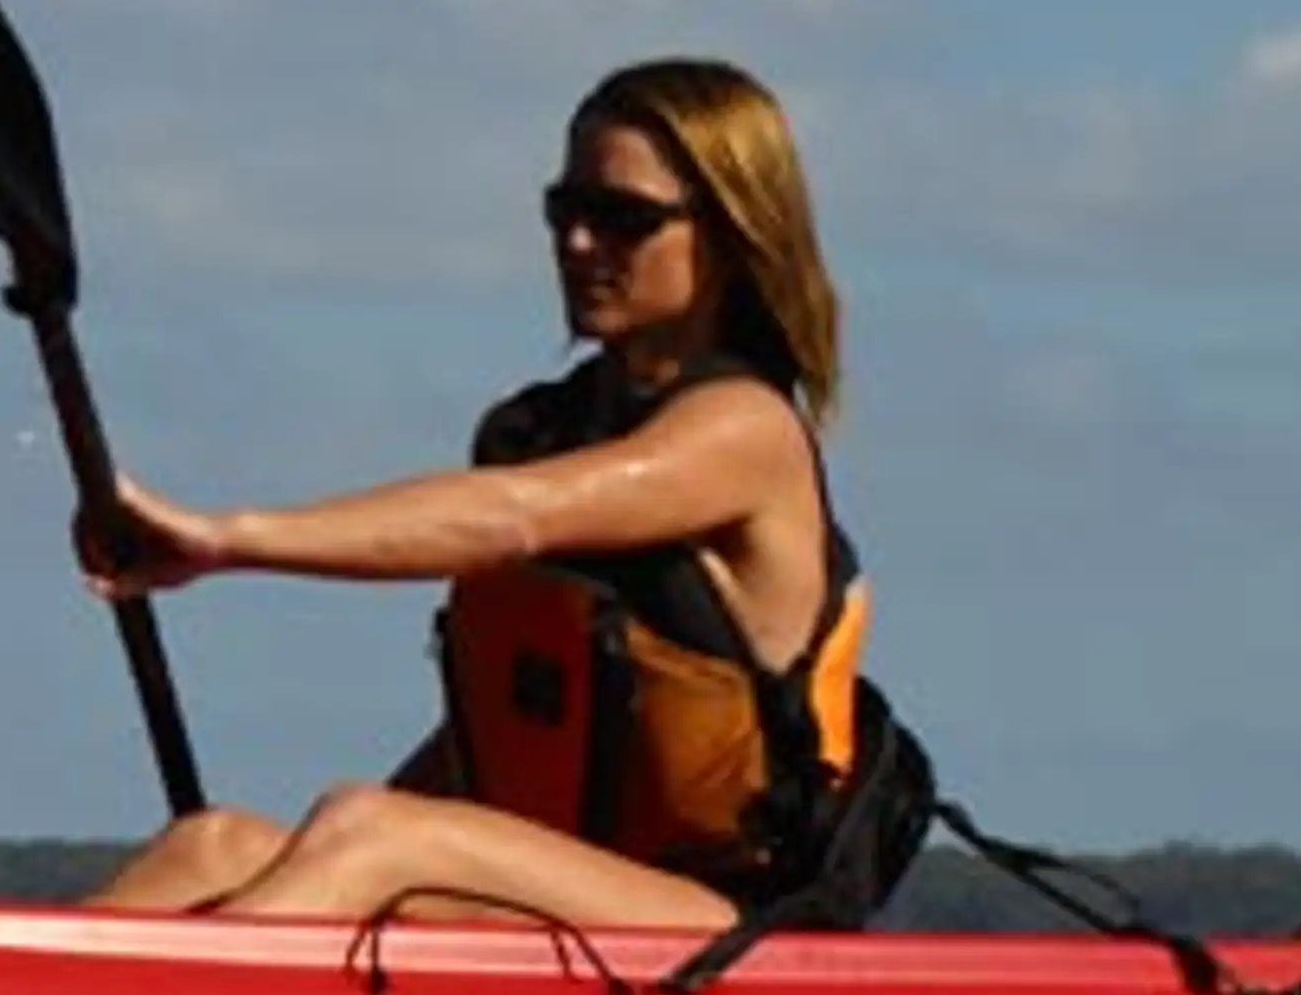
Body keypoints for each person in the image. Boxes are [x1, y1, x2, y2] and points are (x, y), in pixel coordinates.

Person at [77, 58, 902, 932]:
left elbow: (515, 516)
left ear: (733, 237)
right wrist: (330, 864)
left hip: (724, 930)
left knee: (371, 835)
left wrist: (222, 540)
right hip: (558, 903)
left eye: (622, 219)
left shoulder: (744, 434)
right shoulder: (540, 428)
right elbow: (508, 733)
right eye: (566, 211)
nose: (580, 244)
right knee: (215, 847)